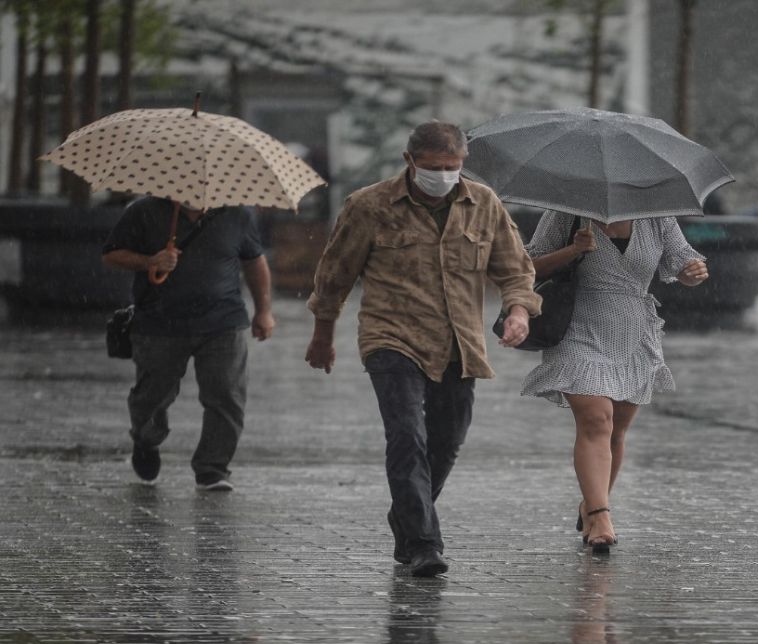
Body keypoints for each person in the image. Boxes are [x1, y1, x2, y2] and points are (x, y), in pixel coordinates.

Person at [305, 121, 541, 577]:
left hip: (460, 341)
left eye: (452, 167)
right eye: (433, 167)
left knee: (447, 441)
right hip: (391, 337)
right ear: (409, 161)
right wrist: (322, 334)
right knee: (406, 434)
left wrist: (518, 312)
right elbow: (335, 275)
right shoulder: (369, 206)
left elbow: (515, 269)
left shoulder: (483, 203)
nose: (443, 175)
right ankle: (422, 543)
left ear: (463, 163)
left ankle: (408, 513)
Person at [520, 210, 709, 552]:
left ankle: (591, 505)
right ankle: (601, 513)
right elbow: (527, 267)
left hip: (634, 331)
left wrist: (692, 273)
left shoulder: (657, 216)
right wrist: (573, 251)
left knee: (616, 429)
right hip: (578, 327)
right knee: (596, 419)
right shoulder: (566, 212)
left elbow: (684, 262)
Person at [102, 197, 274, 491]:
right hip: (159, 323)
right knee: (152, 396)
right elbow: (111, 255)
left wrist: (263, 311)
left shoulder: (237, 214)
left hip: (223, 322)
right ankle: (146, 440)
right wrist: (150, 261)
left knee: (227, 394)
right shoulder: (144, 211)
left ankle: (212, 468)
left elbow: (254, 260)